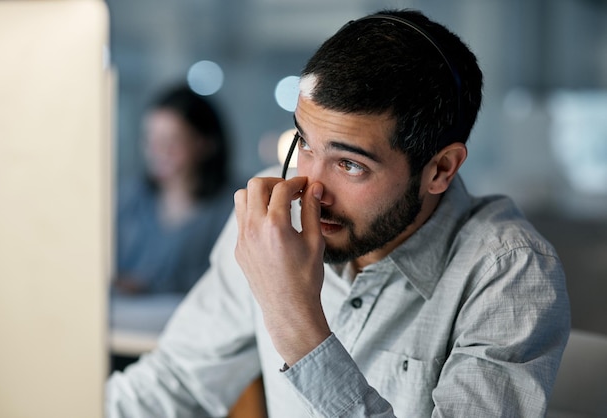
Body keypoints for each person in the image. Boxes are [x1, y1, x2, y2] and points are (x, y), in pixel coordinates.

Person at [107, 9, 570, 417]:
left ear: (440, 169)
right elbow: (176, 385)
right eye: (305, 144)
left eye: (350, 164)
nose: (310, 187)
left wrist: (296, 322)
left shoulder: (509, 273)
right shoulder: (273, 218)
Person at [113, 84, 234, 295]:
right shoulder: (130, 198)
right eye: (151, 140)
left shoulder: (232, 207)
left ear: (204, 143)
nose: (157, 152)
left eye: (171, 141)